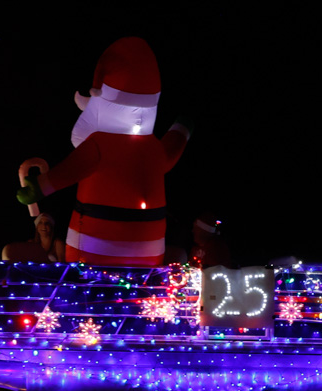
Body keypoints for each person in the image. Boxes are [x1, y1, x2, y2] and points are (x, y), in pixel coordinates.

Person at [17, 37, 191, 267]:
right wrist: (183, 128)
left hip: (94, 249)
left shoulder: (100, 144)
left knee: (90, 288)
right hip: (149, 252)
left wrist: (39, 187)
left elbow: (69, 171)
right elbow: (174, 146)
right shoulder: (153, 148)